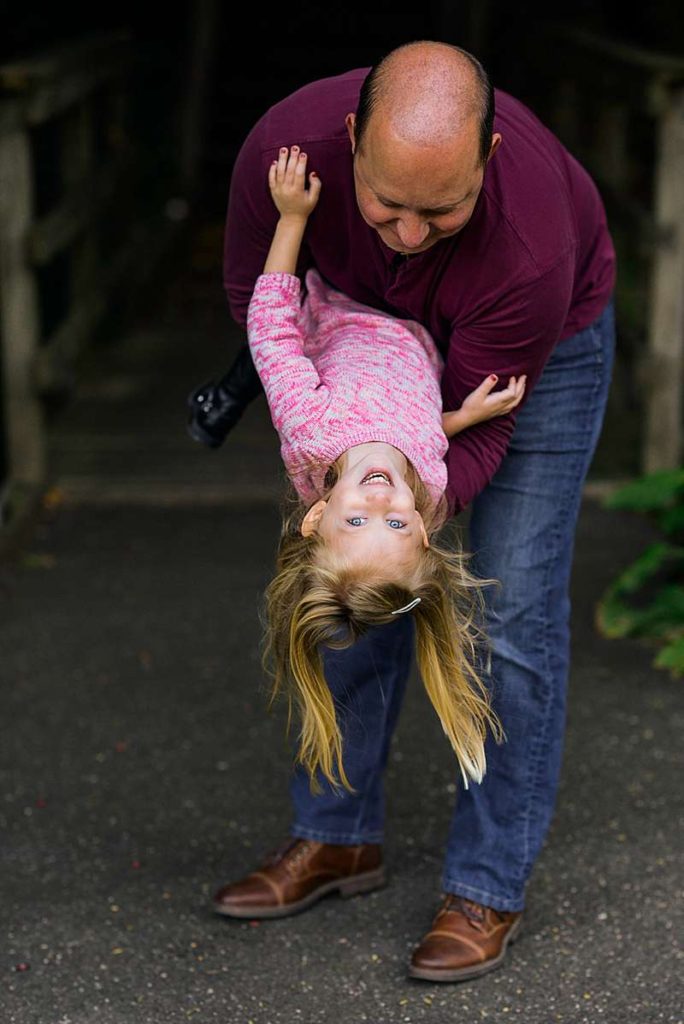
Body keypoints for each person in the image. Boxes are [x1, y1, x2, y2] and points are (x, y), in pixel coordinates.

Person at [203, 41, 616, 983]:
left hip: (513, 380)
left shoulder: (529, 243)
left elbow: (473, 435)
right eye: (389, 205)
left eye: (444, 209)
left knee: (508, 620)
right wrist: (356, 485)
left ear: (491, 158)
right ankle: (338, 835)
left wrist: (409, 513)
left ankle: (487, 883)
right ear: (352, 141)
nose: (411, 234)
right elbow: (252, 297)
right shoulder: (289, 151)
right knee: (354, 597)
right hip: (356, 351)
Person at [246, 143, 527, 800]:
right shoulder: (423, 482)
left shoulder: (311, 426)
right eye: (395, 521)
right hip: (422, 318)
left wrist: (291, 220)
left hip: (351, 290)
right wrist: (463, 415)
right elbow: (420, 435)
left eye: (354, 518)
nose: (381, 496)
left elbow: (270, 333)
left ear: (318, 514)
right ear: (425, 532)